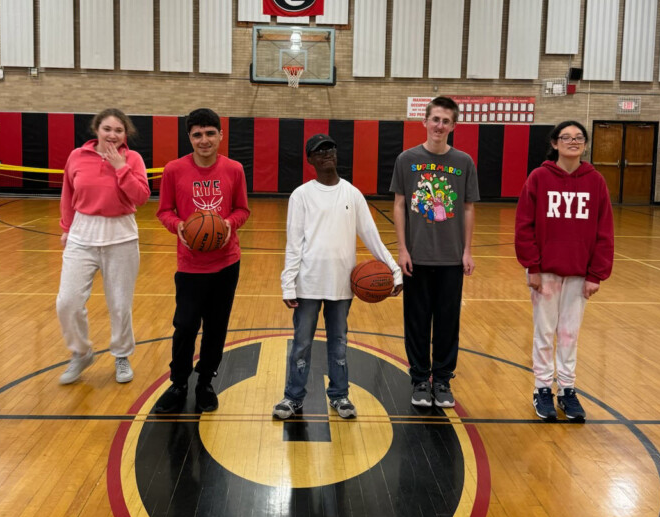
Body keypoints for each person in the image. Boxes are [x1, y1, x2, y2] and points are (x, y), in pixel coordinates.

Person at [272, 133, 403, 421]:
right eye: (320, 151)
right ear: (311, 160)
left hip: (343, 286)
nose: (327, 153)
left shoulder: (352, 194)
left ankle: (340, 396)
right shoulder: (301, 195)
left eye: (331, 147)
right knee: (302, 343)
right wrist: (288, 283)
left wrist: (394, 270)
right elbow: (293, 243)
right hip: (308, 284)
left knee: (339, 341)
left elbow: (372, 237)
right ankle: (293, 397)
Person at [515, 120, 614, 422]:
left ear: (585, 144)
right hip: (544, 272)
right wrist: (532, 266)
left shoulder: (595, 181)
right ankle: (542, 389)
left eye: (578, 137)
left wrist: (596, 273)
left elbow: (604, 230)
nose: (573, 141)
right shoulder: (539, 178)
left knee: (570, 335)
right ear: (555, 143)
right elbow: (524, 225)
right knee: (545, 333)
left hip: (579, 274)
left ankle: (568, 390)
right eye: (566, 137)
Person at [153, 108, 250, 414]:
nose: (204, 140)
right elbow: (164, 211)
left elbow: (242, 210)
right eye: (197, 134)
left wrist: (227, 226)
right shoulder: (173, 169)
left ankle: (205, 381)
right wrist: (178, 226)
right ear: (189, 138)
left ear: (221, 135)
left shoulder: (234, 169)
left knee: (216, 327)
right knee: (184, 326)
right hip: (190, 265)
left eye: (210, 133)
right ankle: (179, 382)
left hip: (226, 262)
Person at [390, 96, 479, 409]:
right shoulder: (407, 159)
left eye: (446, 121)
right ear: (424, 122)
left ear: (453, 126)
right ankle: (419, 379)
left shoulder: (464, 162)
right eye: (435, 119)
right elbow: (400, 204)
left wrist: (467, 251)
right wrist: (402, 249)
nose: (440, 125)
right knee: (416, 320)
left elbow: (467, 208)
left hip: (451, 259)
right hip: (417, 256)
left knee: (447, 321)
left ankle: (441, 379)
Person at [56, 108, 150, 384]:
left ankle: (121, 355)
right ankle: (81, 352)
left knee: (120, 304)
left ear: (125, 134)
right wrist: (66, 228)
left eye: (118, 130)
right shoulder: (77, 156)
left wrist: (121, 167)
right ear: (96, 129)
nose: (112, 135)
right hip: (82, 234)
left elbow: (141, 197)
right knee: (67, 302)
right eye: (107, 129)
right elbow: (67, 194)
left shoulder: (133, 158)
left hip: (121, 235)